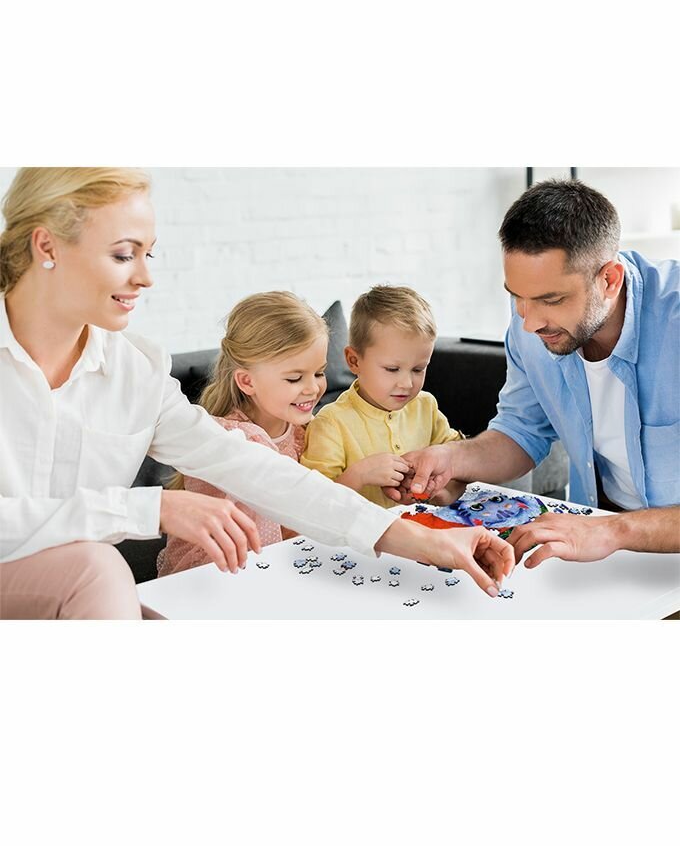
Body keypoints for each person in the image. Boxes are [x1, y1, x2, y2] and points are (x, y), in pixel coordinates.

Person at [0, 168, 514, 619]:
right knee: (97, 566)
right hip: (73, 578)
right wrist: (149, 507)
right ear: (47, 246)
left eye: (147, 253)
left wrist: (426, 542)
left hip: (74, 595)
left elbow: (260, 471)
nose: (146, 276)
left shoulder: (135, 370)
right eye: (122, 254)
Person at [392, 180, 680, 568]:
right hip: (597, 547)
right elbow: (520, 432)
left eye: (551, 299)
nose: (529, 323)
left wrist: (615, 530)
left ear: (609, 280)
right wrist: (452, 458)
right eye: (517, 296)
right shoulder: (530, 329)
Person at [157, 291, 329, 576]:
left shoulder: (308, 429)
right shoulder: (230, 441)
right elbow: (293, 522)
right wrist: (355, 479)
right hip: (225, 568)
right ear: (247, 381)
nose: (312, 388)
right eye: (295, 378)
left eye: (319, 373)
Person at [301, 285, 463, 508]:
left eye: (418, 369)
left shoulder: (425, 405)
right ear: (354, 361)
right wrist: (359, 475)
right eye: (392, 369)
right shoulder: (330, 423)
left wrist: (441, 491)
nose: (407, 383)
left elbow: (458, 459)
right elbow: (314, 505)